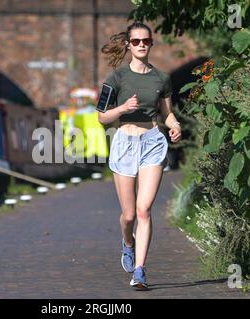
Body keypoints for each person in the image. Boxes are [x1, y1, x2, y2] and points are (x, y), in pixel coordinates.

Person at [97, 21, 182, 290]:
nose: (141, 45)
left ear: (151, 44)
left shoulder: (161, 78)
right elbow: (102, 117)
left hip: (152, 142)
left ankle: (140, 270)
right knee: (129, 215)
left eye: (146, 41)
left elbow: (167, 113)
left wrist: (175, 125)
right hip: (124, 143)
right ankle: (128, 242)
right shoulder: (116, 78)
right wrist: (122, 108)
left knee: (144, 210)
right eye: (136, 41)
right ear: (128, 45)